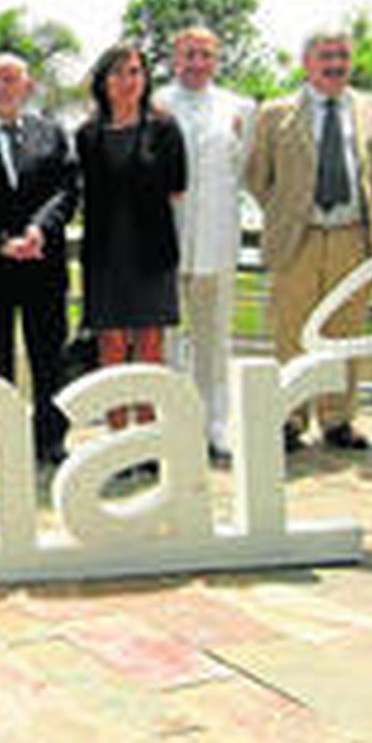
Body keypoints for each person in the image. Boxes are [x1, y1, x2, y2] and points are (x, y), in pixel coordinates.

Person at [246, 28, 372, 451]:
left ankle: (338, 420)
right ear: (307, 62)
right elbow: (258, 175)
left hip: (353, 237)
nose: (335, 64)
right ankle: (290, 418)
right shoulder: (275, 113)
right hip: (299, 237)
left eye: (342, 55)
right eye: (325, 55)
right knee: (291, 331)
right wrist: (287, 210)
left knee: (345, 331)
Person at [0, 53, 79, 462]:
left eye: (11, 79)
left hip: (43, 264)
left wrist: (39, 229)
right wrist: (0, 241)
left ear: (27, 87)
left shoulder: (53, 133)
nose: (2, 87)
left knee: (49, 358)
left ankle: (50, 439)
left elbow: (66, 191)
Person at [154, 26, 254, 454]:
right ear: (175, 58)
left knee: (215, 338)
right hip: (165, 239)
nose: (196, 63)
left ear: (217, 59)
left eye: (205, 55)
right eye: (188, 54)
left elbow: (243, 167)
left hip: (217, 237)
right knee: (168, 340)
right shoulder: (155, 104)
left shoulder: (239, 107)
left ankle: (216, 424)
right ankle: (174, 424)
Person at [75, 42, 187, 427]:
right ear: (103, 82)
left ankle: (150, 433)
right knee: (111, 344)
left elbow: (177, 188)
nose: (128, 81)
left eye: (136, 72)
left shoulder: (166, 129)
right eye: (119, 73)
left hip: (151, 251)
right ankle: (118, 432)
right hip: (105, 253)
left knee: (150, 345)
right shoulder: (87, 135)